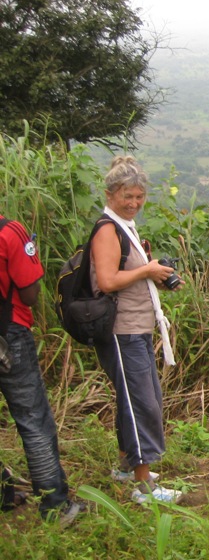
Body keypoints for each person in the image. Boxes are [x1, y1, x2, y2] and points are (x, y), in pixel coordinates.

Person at [91, 156, 183, 504]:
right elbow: (108, 280)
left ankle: (126, 466)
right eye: (127, 196)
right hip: (121, 331)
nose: (133, 203)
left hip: (136, 328)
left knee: (135, 398)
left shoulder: (124, 225)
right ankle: (144, 487)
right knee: (141, 403)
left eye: (139, 197)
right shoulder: (107, 229)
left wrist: (157, 274)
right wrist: (147, 272)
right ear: (110, 193)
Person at [0, 213, 82, 523]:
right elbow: (29, 294)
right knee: (33, 420)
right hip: (9, 335)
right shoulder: (10, 232)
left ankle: (3, 493)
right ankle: (55, 506)